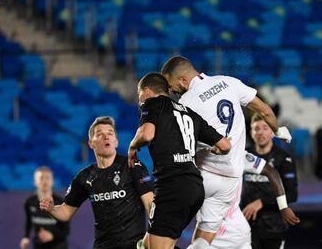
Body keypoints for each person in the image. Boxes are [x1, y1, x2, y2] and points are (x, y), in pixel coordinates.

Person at [161, 56, 292, 248]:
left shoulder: (185, 104)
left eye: (170, 85)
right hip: (229, 182)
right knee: (203, 237)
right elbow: (264, 110)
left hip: (202, 177)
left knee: (163, 227)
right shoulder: (228, 82)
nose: (170, 90)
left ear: (183, 80)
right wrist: (277, 130)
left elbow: (178, 147)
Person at [128, 73, 231, 249]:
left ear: (146, 91)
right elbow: (225, 145)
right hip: (195, 188)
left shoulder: (152, 103)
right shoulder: (190, 113)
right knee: (147, 245)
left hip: (172, 186)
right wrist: (211, 150)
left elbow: (146, 134)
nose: (140, 101)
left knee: (156, 247)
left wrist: (132, 147)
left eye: (140, 96)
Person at [39, 116, 154, 249]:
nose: (106, 137)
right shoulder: (84, 177)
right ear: (91, 143)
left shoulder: (133, 166)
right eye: (99, 134)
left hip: (133, 245)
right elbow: (66, 211)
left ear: (116, 142)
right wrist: (52, 209)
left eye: (110, 134)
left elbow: (150, 205)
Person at [195, 144, 300, 249]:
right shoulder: (197, 159)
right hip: (222, 230)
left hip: (237, 232)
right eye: (256, 128)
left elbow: (272, 172)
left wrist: (282, 206)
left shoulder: (239, 156)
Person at [241, 114, 298, 249]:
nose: (260, 132)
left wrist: (262, 202)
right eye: (256, 129)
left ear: (273, 132)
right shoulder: (243, 155)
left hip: (274, 226)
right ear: (251, 132)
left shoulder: (284, 159)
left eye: (265, 128)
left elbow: (292, 194)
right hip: (245, 225)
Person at [20, 166, 69, 249]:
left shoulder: (61, 202)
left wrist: (52, 235)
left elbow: (66, 229)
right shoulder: (29, 202)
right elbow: (28, 222)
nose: (44, 181)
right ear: (35, 182)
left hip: (58, 246)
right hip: (39, 245)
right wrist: (25, 237)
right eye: (41, 178)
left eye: (47, 178)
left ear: (52, 181)